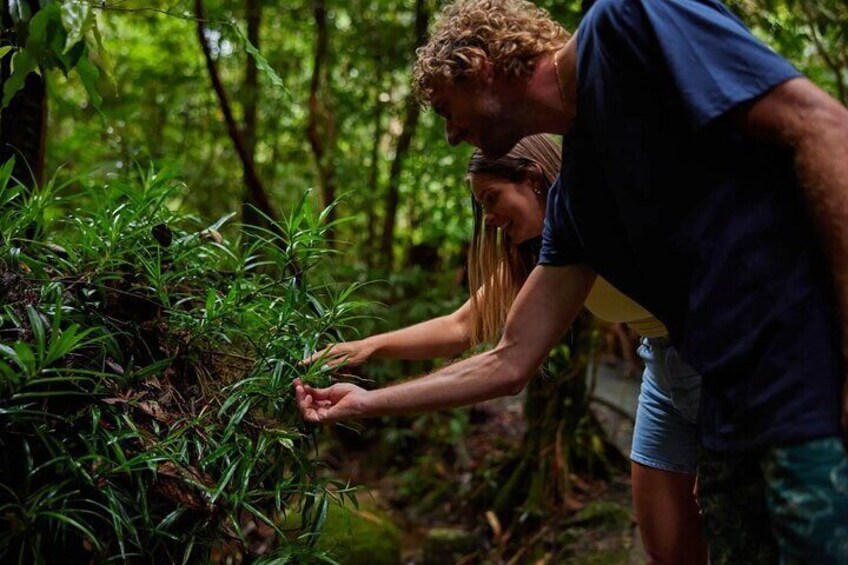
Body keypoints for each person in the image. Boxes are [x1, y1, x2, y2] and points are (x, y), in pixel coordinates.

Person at [297, 0, 848, 561]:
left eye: (446, 108)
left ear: (476, 63)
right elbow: (508, 359)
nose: (450, 134)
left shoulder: (630, 22)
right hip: (729, 417)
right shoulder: (576, 203)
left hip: (806, 383)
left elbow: (821, 124)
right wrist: (366, 403)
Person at [305, 135, 707, 562]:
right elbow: (462, 326)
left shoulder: (606, 209)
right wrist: (366, 348)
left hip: (716, 358)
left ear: (533, 177)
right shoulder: (549, 254)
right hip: (659, 370)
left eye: (493, 198)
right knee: (667, 548)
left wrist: (715, 437)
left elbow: (508, 364)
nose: (490, 217)